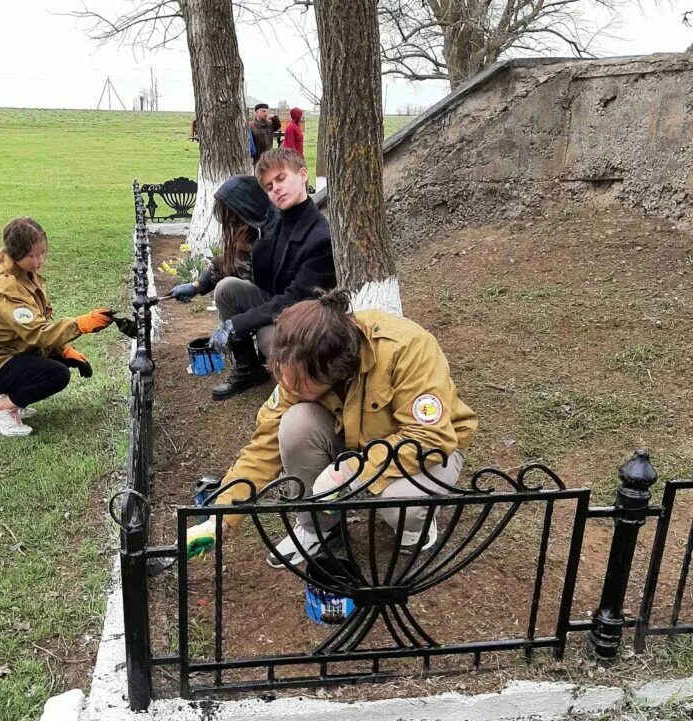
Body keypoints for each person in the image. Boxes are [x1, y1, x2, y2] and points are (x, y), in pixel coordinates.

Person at [198, 288, 476, 624]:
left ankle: (417, 522)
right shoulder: (299, 361)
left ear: (335, 369)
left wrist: (353, 471)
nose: (288, 385)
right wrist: (221, 518)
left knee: (400, 500)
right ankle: (319, 527)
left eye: (300, 383)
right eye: (283, 375)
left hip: (430, 452)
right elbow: (262, 446)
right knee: (294, 425)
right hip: (356, 442)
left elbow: (430, 437)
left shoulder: (408, 347)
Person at [0, 218, 117, 439]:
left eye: (42, 252)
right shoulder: (5, 287)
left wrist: (63, 350)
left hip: (4, 352)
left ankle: (14, 398)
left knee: (57, 360)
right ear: (15, 254)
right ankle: (0, 409)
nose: (39, 260)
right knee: (56, 374)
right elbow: (37, 333)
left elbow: (34, 325)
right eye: (32, 256)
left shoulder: (20, 271)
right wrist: (80, 325)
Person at [205, 148, 337, 400]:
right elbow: (242, 264)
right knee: (227, 289)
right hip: (278, 303)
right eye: (268, 186)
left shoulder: (320, 237)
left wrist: (239, 322)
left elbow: (295, 299)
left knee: (269, 335)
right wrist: (203, 281)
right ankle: (248, 370)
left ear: (303, 175)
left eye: (281, 178)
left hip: (308, 317)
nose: (275, 188)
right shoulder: (274, 222)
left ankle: (302, 393)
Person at [169, 176, 275, 308]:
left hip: (277, 311)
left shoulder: (271, 239)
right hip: (257, 311)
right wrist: (196, 285)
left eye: (231, 215)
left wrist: (240, 324)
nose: (229, 223)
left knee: (225, 289)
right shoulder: (246, 236)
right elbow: (226, 264)